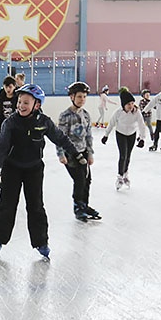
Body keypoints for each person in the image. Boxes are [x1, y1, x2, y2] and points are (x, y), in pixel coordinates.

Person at [0, 84, 83, 261]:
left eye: (26, 102)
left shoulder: (43, 122)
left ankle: (41, 242)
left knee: (36, 206)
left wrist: (75, 153)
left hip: (34, 169)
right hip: (12, 168)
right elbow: (1, 148)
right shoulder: (10, 123)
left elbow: (60, 138)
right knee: (7, 205)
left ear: (37, 105)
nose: (21, 106)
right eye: (19, 102)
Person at [57, 81, 99, 221]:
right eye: (79, 96)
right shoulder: (65, 116)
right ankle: (77, 206)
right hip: (71, 153)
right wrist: (61, 154)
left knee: (87, 180)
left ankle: (84, 205)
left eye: (84, 97)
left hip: (84, 152)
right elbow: (60, 137)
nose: (82, 99)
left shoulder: (86, 115)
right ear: (72, 97)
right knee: (79, 180)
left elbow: (88, 135)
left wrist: (90, 153)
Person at [101, 88, 148, 190]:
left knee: (128, 156)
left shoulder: (136, 112)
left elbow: (141, 125)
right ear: (123, 105)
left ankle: (125, 173)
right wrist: (106, 135)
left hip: (131, 135)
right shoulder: (118, 112)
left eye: (132, 103)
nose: (131, 106)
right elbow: (111, 123)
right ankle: (120, 176)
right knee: (123, 155)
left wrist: (142, 138)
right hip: (120, 134)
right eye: (128, 104)